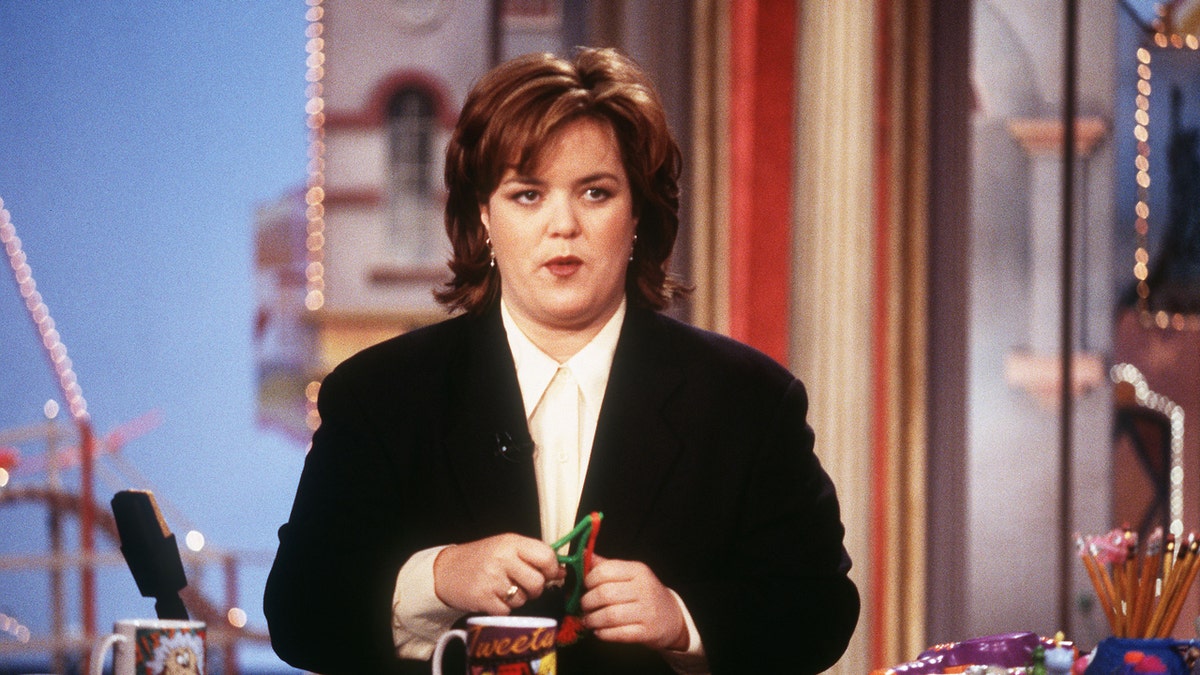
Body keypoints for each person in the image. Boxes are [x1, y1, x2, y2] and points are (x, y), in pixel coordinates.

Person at [264, 47, 858, 675]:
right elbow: (300, 614)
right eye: (527, 195)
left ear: (638, 216)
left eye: (595, 193)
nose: (563, 225)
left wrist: (681, 620)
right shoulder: (380, 394)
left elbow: (819, 608)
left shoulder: (747, 401)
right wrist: (436, 579)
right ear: (483, 216)